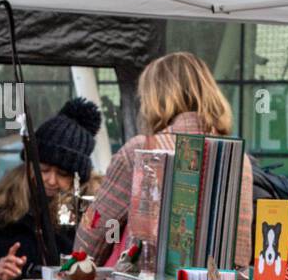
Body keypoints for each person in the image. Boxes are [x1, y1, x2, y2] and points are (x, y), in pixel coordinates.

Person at [74, 52, 253, 267]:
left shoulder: (142, 150)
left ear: (156, 98)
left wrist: (76, 264)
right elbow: (241, 248)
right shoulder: (239, 159)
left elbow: (98, 227)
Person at [0, 98, 102, 280]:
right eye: (43, 170)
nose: (51, 180)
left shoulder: (88, 218)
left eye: (63, 174)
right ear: (28, 166)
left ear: (79, 178)